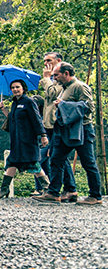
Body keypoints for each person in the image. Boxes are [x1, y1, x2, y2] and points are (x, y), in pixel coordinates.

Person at [34, 62, 103, 205]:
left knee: (88, 162)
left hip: (81, 130)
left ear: (66, 73)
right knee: (56, 159)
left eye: (56, 75)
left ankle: (95, 196)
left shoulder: (80, 86)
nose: (55, 78)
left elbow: (89, 107)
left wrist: (64, 105)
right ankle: (53, 193)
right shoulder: (64, 88)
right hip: (64, 130)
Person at [0, 79, 49, 197]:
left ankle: (47, 188)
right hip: (16, 140)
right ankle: (4, 190)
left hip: (28, 140)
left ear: (23, 88)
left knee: (34, 164)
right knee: (12, 163)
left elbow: (37, 119)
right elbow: (12, 119)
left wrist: (43, 135)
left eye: (17, 87)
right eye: (13, 88)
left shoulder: (29, 102)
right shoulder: (14, 103)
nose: (15, 89)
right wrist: (4, 110)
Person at [38, 52, 77, 200]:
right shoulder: (55, 78)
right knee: (58, 157)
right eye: (44, 61)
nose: (46, 64)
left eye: (49, 60)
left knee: (58, 156)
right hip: (49, 123)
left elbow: (54, 94)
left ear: (58, 61)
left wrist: (47, 79)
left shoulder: (63, 78)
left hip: (58, 123)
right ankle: (68, 189)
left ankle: (64, 190)